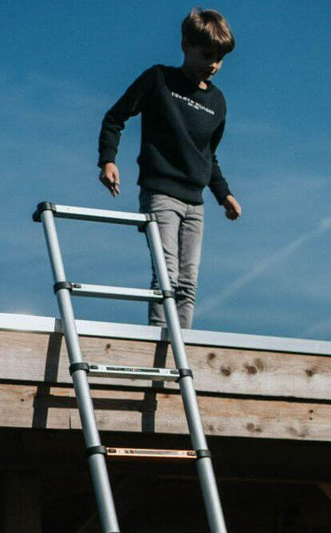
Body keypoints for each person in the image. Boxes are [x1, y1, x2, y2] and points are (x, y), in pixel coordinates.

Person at [97, 7, 241, 329]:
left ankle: (182, 351)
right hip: (161, 194)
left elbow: (208, 155)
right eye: (207, 55)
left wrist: (224, 195)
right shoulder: (159, 79)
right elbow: (115, 118)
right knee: (168, 276)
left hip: (195, 203)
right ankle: (160, 344)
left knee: (188, 284)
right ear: (185, 46)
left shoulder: (217, 102)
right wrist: (108, 159)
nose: (213, 65)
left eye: (219, 58)